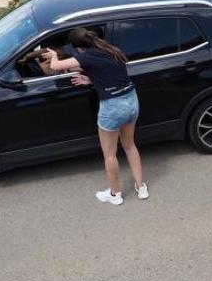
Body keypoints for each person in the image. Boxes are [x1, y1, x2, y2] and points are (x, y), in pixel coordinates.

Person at [43, 27, 148, 206]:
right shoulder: (109, 49)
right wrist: (91, 80)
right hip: (131, 100)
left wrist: (53, 55)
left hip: (113, 107)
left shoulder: (85, 56)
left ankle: (115, 195)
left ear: (78, 48)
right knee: (130, 146)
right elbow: (110, 73)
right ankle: (141, 187)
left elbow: (54, 67)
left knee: (110, 154)